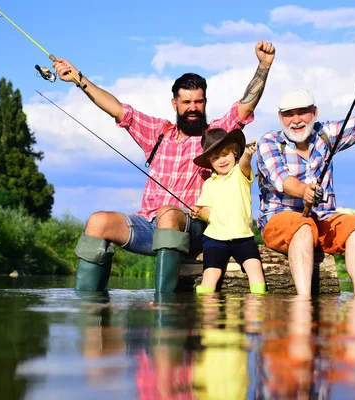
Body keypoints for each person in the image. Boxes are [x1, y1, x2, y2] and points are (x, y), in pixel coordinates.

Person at [53, 41, 275, 293]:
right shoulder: (158, 132)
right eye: (187, 102)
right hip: (150, 225)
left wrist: (263, 66)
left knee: (169, 213)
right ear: (175, 104)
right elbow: (115, 108)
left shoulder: (213, 139)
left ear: (205, 102)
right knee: (97, 222)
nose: (193, 108)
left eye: (198, 102)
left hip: (192, 228)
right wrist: (78, 78)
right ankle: (90, 308)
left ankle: (163, 307)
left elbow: (245, 107)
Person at [256, 46, 355, 297]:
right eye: (289, 114)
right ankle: (303, 300)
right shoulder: (268, 141)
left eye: (302, 112)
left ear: (315, 113)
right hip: (280, 220)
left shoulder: (326, 133)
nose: (296, 119)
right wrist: (304, 191)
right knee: (301, 226)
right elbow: (281, 179)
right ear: (280, 117)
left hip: (323, 218)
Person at [190, 128, 266, 294]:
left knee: (254, 266)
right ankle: (207, 305)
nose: (221, 160)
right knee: (211, 272)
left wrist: (248, 153)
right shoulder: (209, 183)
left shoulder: (239, 173)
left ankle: (258, 300)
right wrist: (198, 212)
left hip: (242, 236)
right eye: (215, 158)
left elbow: (245, 162)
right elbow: (208, 214)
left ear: (235, 153)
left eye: (225, 154)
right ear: (210, 162)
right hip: (214, 237)